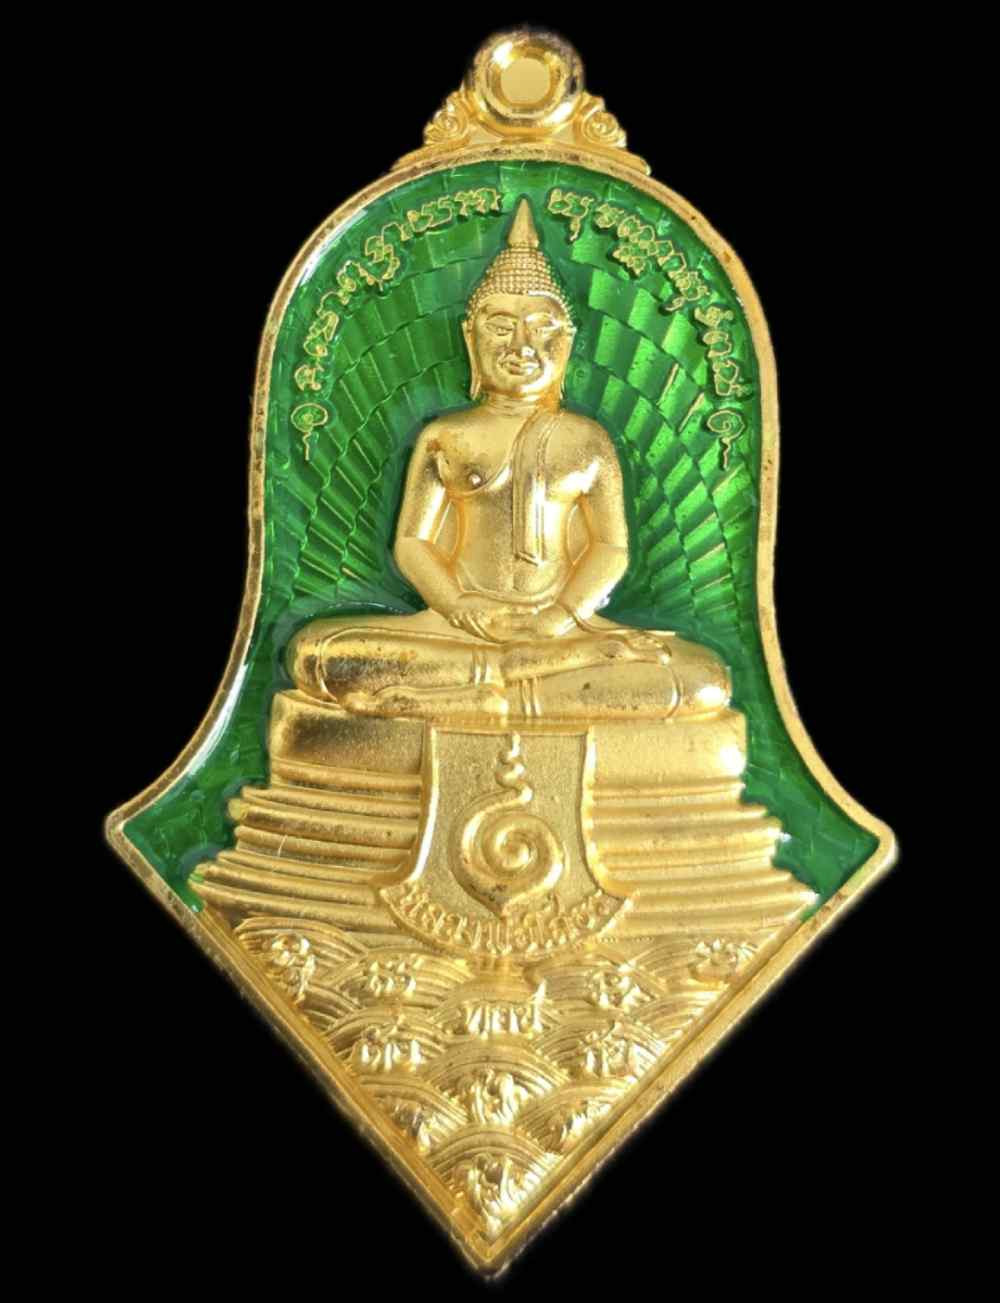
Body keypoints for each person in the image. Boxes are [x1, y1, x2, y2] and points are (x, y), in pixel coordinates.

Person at [289, 199, 729, 722]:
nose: (522, 345)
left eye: (542, 328)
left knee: (704, 678)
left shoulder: (587, 439)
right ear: (470, 337)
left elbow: (610, 547)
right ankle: (517, 682)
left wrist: (562, 615)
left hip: (563, 628)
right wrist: (458, 606)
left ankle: (483, 694)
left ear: (566, 342)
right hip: (460, 628)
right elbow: (412, 543)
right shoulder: (445, 436)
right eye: (500, 327)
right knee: (318, 655)